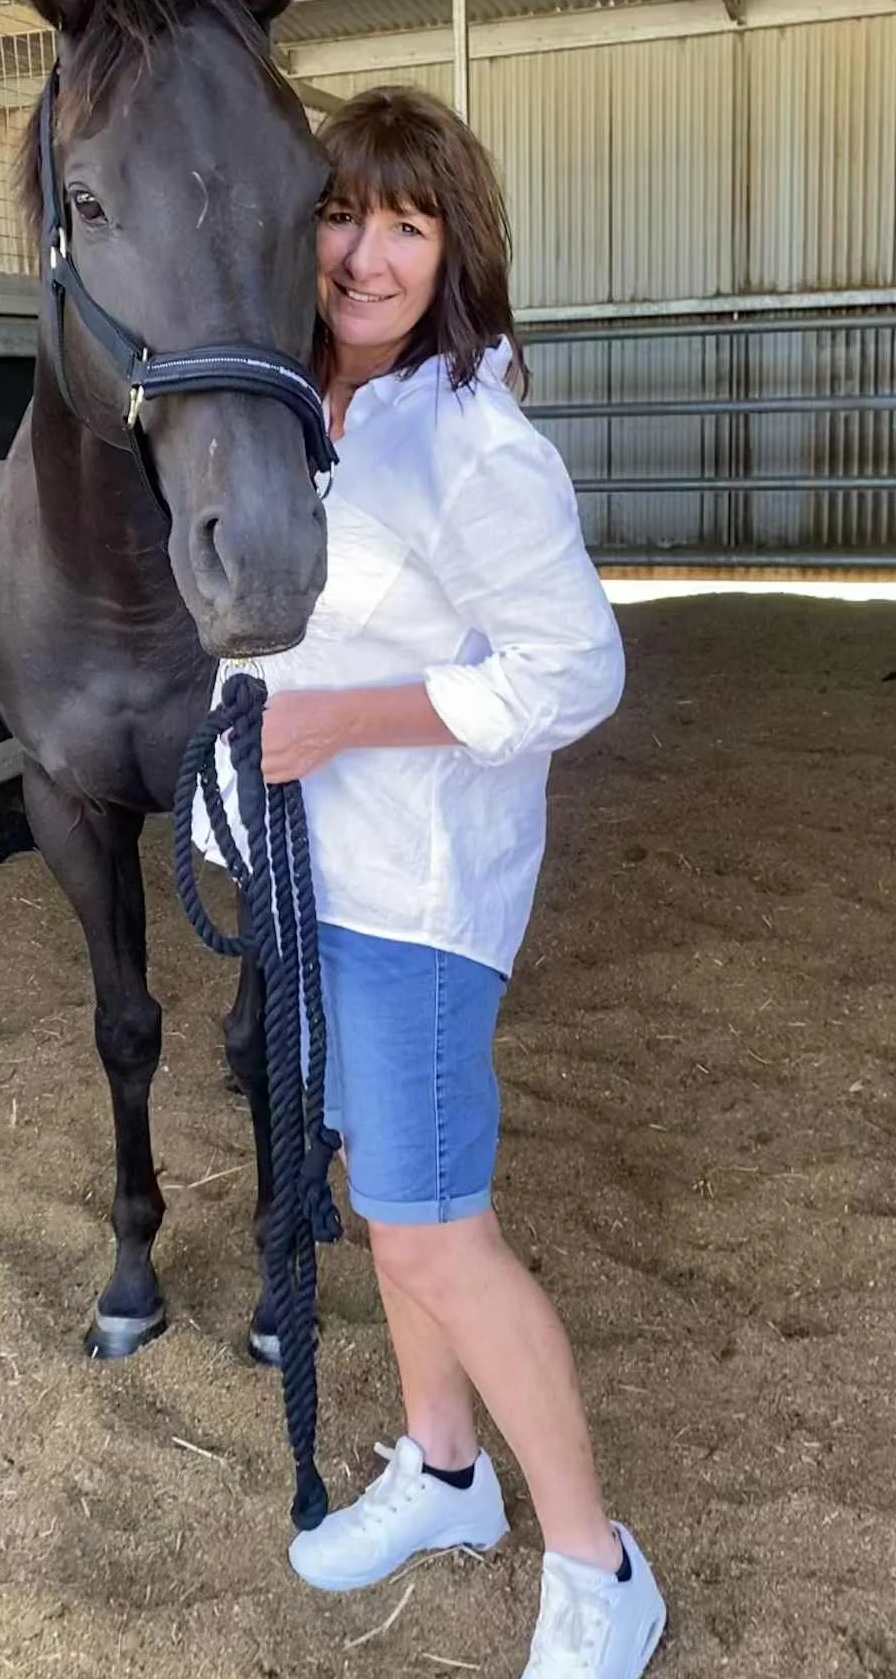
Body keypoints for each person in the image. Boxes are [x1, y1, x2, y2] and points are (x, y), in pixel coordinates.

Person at [203, 85, 665, 1678]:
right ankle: (446, 1473)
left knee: (436, 1231)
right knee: (381, 1211)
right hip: (320, 886)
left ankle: (601, 1567)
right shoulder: (303, 413)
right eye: (343, 213)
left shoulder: (473, 437)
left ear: (456, 243)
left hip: (421, 898)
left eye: (408, 221)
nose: (367, 252)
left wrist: (351, 719)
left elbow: (574, 671)